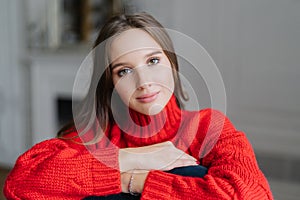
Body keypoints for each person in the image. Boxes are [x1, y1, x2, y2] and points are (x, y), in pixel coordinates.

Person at [4, 12, 273, 200]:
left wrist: (136, 183)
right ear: (110, 83)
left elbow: (251, 195)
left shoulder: (207, 126)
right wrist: (135, 161)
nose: (143, 82)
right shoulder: (97, 136)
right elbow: (20, 183)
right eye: (124, 71)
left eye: (153, 61)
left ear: (172, 63)